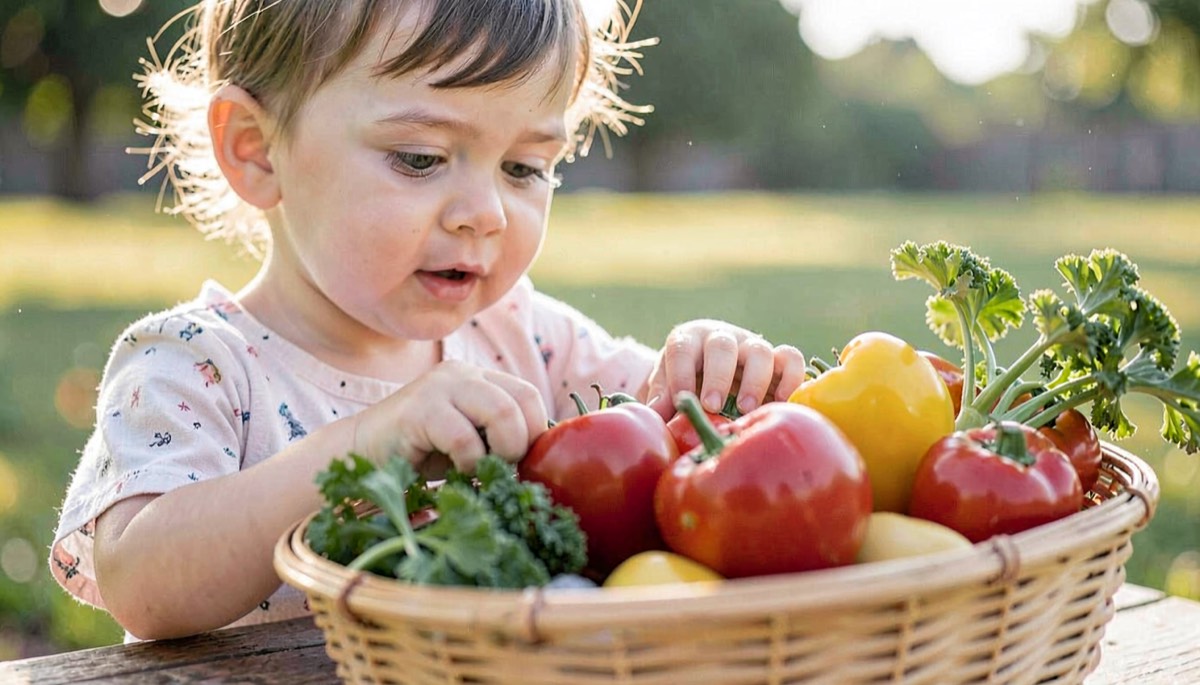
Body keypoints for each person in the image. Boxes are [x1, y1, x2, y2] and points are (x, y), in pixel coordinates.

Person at [50, 0, 807, 642]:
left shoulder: (522, 333)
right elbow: (142, 581)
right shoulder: (194, 363)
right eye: (420, 158)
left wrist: (704, 369)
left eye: (524, 168)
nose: (485, 213)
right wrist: (369, 441)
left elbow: (659, 425)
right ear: (255, 150)